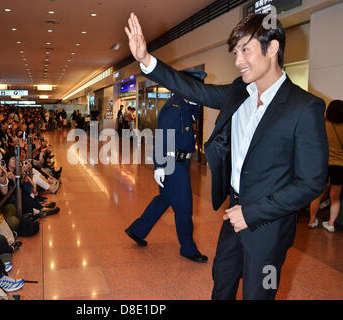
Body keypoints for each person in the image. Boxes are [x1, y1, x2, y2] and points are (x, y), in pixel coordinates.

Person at [125, 12, 328, 300]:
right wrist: (147, 60)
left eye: (245, 50)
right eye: (235, 52)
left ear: (272, 48)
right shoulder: (239, 92)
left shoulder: (304, 107)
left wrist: (252, 213)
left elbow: (311, 182)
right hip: (232, 216)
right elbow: (194, 89)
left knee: (260, 293)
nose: (238, 60)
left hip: (268, 226)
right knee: (221, 285)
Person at [125, 77, 207, 262]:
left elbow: (194, 118)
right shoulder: (173, 108)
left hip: (181, 162)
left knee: (164, 199)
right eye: (196, 88)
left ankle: (137, 230)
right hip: (172, 164)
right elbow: (162, 138)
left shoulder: (184, 104)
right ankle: (188, 248)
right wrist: (159, 166)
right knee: (184, 207)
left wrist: (194, 102)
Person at [309, 100, 343, 232]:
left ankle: (312, 221)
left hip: (323, 163)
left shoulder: (323, 124)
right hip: (340, 166)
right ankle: (331, 224)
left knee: (317, 193)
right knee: (335, 197)